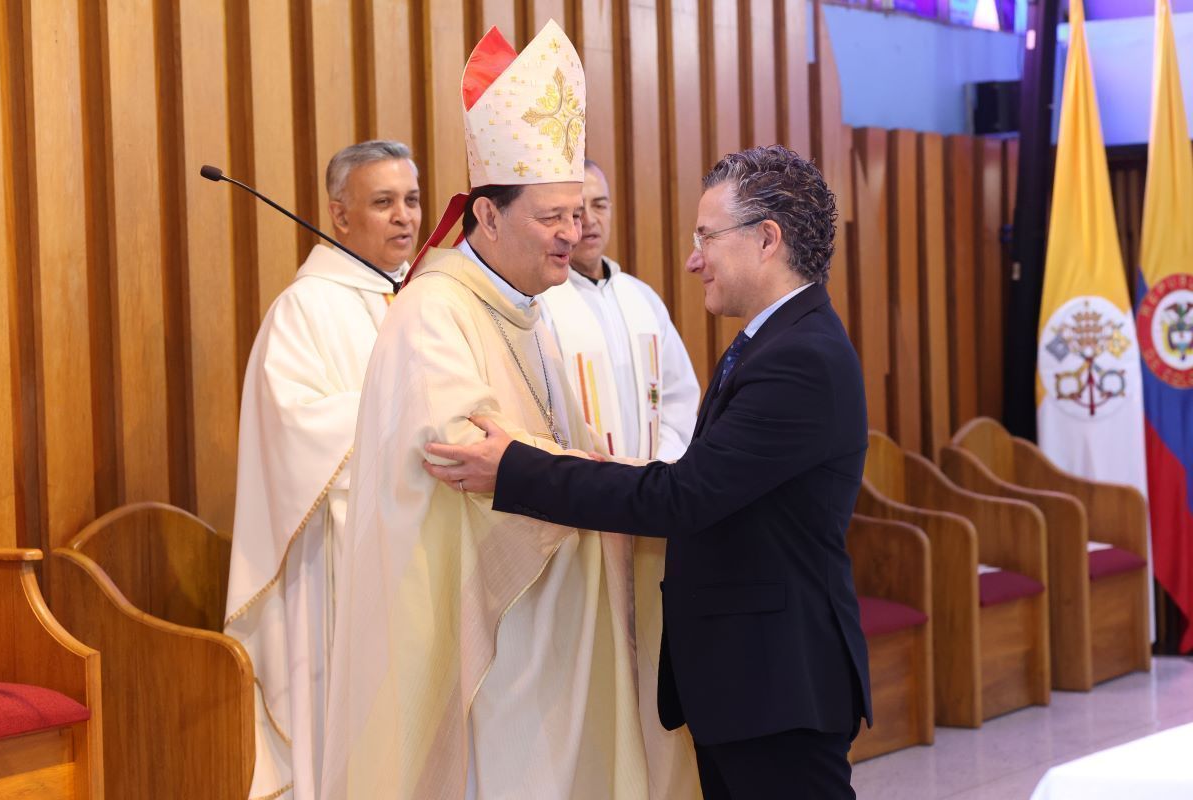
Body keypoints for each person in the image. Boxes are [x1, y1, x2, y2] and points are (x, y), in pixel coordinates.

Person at [320, 21, 698, 800]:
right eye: (551, 216)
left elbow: (543, 446)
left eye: (577, 213)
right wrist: (596, 477)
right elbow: (461, 455)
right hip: (501, 634)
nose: (573, 233)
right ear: (486, 218)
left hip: (564, 616)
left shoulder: (531, 310)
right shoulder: (434, 312)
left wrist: (606, 474)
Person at [426, 144, 874, 799]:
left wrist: (516, 470)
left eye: (707, 237)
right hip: (749, 679)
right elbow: (714, 482)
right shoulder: (777, 340)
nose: (694, 258)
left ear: (767, 239)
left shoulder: (799, 358)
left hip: (777, 680)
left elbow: (684, 499)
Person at [223, 140, 421, 800]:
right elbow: (296, 430)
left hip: (419, 548)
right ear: (339, 216)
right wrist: (411, 417)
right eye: (383, 202)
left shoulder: (425, 302)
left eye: (413, 200)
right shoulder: (305, 309)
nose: (404, 217)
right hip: (340, 557)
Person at [539, 160, 699, 461]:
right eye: (576, 211)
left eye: (599, 205)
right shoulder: (543, 303)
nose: (588, 220)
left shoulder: (642, 298)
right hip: (582, 487)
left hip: (651, 488)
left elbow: (678, 398)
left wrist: (658, 470)